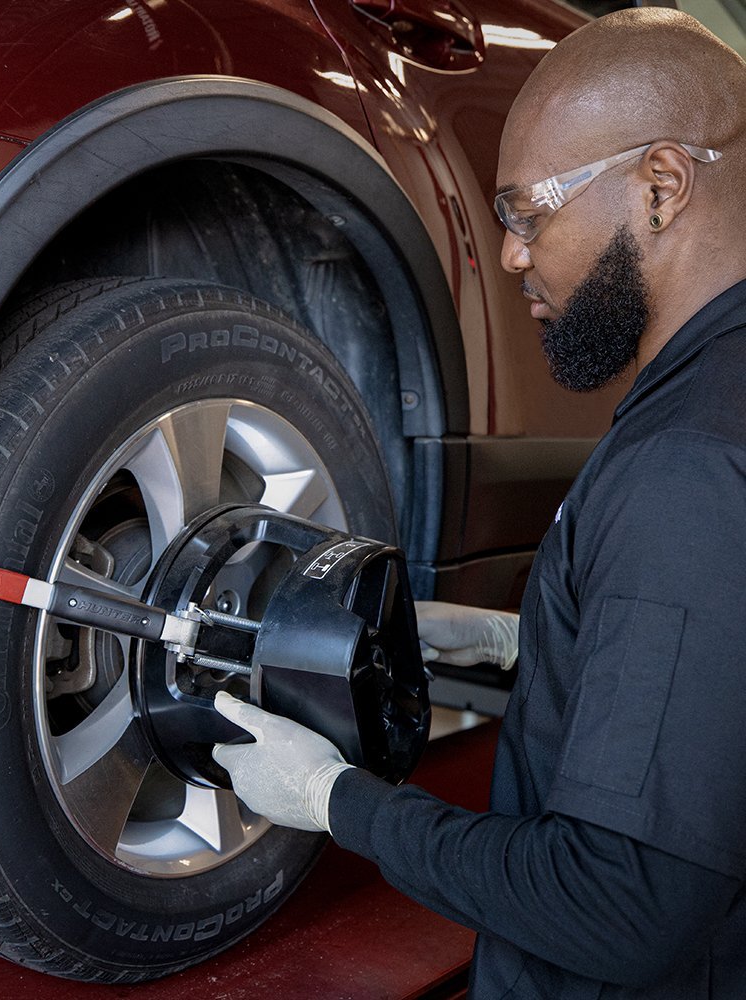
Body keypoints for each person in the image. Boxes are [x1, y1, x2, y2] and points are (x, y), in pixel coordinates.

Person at [211, 8, 746, 997]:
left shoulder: (686, 472)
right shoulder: (719, 410)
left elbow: (621, 907)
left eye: (528, 213)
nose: (509, 256)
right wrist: (530, 650)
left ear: (661, 187)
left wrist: (336, 801)